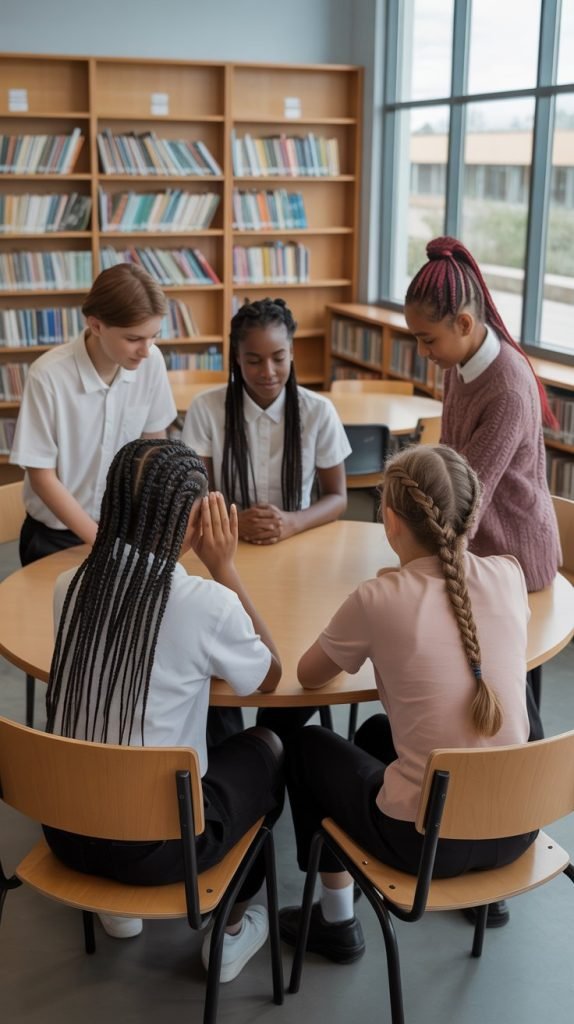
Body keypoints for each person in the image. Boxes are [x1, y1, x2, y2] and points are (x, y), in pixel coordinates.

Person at [279, 445, 537, 964]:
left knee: (307, 745)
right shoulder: (508, 576)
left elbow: (308, 677)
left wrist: (377, 609)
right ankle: (493, 900)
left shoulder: (380, 599)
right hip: (515, 827)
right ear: (474, 513)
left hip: (424, 845)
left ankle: (338, 922)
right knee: (377, 734)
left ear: (389, 520)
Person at [43, 438, 285, 984]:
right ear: (192, 520)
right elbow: (268, 676)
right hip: (158, 850)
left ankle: (117, 910)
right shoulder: (204, 602)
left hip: (68, 831)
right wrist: (224, 567)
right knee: (266, 747)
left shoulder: (67, 586)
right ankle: (228, 934)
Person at [182, 296, 352, 744]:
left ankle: (273, 743)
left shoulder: (318, 411)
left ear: (293, 353)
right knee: (218, 650)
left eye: (279, 358)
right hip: (225, 557)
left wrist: (292, 522)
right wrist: (232, 526)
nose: (268, 371)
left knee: (297, 656)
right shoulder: (207, 407)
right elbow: (196, 494)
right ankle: (238, 743)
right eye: (253, 360)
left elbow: (338, 497)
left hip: (299, 560)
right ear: (235, 359)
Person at [403, 235, 560, 594]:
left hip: (512, 561)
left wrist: (420, 561)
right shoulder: (457, 363)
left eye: (427, 339)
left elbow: (470, 497)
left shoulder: (507, 391)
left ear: (463, 324)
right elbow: (449, 461)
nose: (422, 351)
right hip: (475, 549)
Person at [10, 263, 177, 565]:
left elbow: (154, 450)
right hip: (55, 536)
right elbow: (42, 477)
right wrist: (103, 542)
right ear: (96, 326)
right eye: (134, 338)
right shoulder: (48, 376)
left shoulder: (151, 362)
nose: (146, 349)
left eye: (154, 336)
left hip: (123, 528)